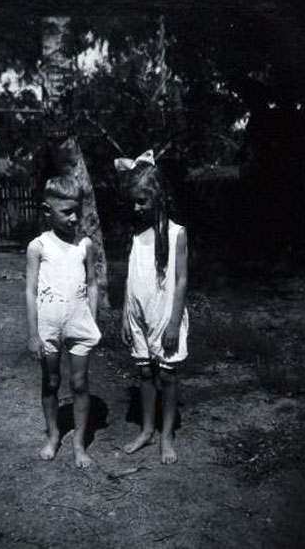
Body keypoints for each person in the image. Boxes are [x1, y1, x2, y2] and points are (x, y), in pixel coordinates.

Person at [115, 150, 188, 465]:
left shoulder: (176, 234)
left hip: (164, 315)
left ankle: (166, 434)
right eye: (133, 200)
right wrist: (124, 315)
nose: (136, 207)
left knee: (168, 376)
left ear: (158, 197)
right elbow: (132, 277)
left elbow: (182, 281)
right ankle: (146, 430)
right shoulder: (135, 233)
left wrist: (174, 323)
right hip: (138, 315)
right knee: (144, 372)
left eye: (142, 200)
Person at [26, 176, 101, 467]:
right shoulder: (38, 246)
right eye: (66, 212)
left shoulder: (85, 245)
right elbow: (30, 291)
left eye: (76, 211)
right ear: (47, 211)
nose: (73, 218)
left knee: (79, 382)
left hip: (78, 322)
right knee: (52, 380)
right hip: (48, 324)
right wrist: (33, 333)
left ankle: (80, 443)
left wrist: (92, 321)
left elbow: (93, 284)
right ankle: (54, 434)